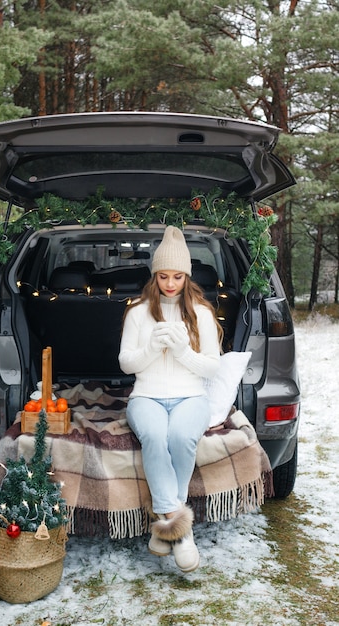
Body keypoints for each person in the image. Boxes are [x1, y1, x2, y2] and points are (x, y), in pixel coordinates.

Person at [118, 226, 223, 572]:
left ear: (187, 276)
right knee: (155, 436)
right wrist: (152, 347)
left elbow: (210, 367)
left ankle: (165, 528)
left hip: (190, 396)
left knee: (180, 437)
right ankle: (181, 532)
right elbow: (126, 363)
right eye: (163, 276)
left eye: (178, 276)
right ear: (155, 275)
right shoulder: (138, 313)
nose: (170, 283)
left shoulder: (203, 314)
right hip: (146, 396)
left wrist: (182, 351)